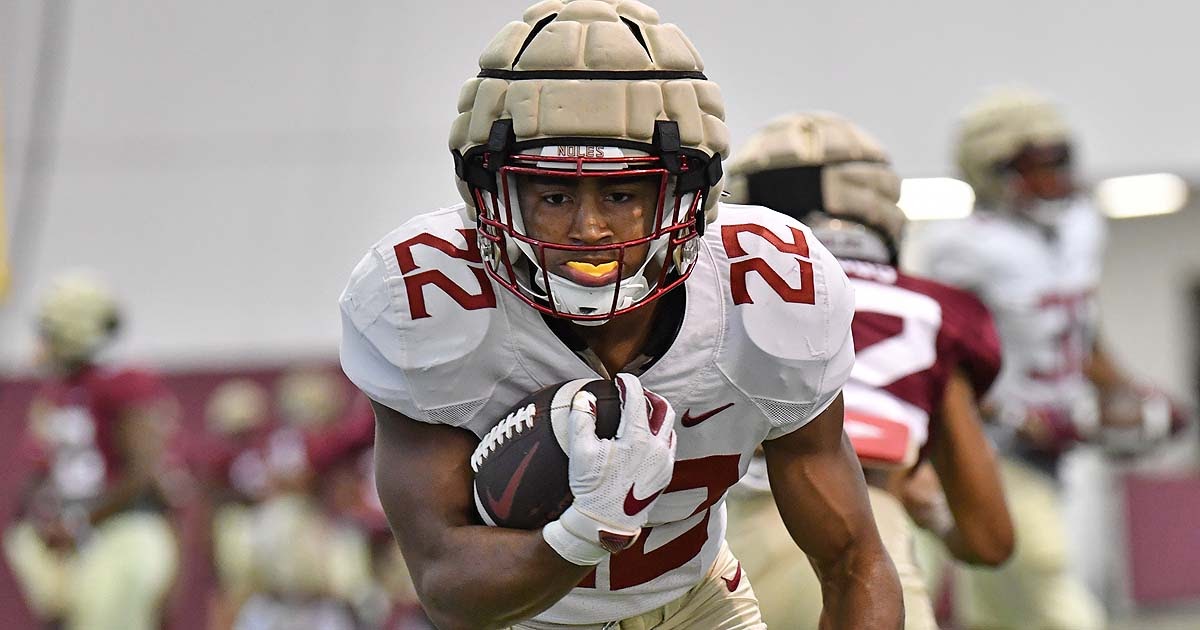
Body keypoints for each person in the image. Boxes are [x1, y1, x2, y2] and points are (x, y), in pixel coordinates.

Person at [338, 1, 902, 628]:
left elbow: (854, 559)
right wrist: (589, 527)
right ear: (489, 192)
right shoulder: (427, 298)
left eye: (622, 192)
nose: (589, 227)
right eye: (553, 194)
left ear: (691, 192)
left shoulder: (766, 290)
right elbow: (445, 584)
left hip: (698, 604)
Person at [905, 87, 1188, 629]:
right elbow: (934, 357)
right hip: (989, 447)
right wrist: (1008, 415)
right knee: (1045, 578)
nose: (1053, 177)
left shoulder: (1080, 224)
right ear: (993, 169)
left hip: (1058, 445)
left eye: (1060, 160)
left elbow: (1080, 332)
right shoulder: (957, 245)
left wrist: (1129, 389)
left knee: (997, 605)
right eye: (1035, 165)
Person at [721, 112, 1014, 629]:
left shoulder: (703, 295)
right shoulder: (933, 312)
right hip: (865, 542)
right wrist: (932, 513)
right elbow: (990, 539)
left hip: (723, 553)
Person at [3, 271, 180, 630]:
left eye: (50, 331)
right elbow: (42, 471)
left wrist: (80, 524)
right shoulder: (57, 392)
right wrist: (41, 522)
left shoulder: (126, 384)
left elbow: (142, 472)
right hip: (78, 534)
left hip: (123, 530)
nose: (43, 343)